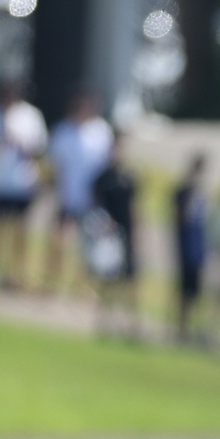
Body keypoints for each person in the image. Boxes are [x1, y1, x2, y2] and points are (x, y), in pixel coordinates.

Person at [0, 80, 46, 291]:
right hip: (0, 182)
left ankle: (18, 273)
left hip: (23, 182)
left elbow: (39, 149)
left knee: (21, 230)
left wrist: (21, 143)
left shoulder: (31, 116)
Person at [43, 90, 115, 292]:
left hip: (92, 199)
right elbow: (55, 166)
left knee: (88, 244)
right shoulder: (63, 131)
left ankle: (83, 285)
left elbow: (107, 165)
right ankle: (53, 280)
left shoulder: (101, 131)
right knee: (59, 239)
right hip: (67, 196)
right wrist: (58, 192)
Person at [86, 143, 140, 339]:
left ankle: (130, 325)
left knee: (129, 279)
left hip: (125, 233)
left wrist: (137, 232)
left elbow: (134, 208)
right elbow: (94, 204)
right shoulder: (102, 178)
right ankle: (104, 321)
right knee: (108, 279)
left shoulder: (129, 178)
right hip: (109, 235)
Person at [171, 154, 211, 346]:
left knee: (197, 291)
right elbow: (180, 218)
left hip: (199, 248)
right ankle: (181, 328)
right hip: (185, 247)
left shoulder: (203, 194)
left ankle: (194, 327)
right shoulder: (183, 192)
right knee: (183, 290)